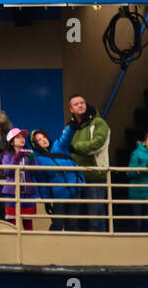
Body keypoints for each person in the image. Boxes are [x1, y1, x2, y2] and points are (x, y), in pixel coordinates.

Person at [61, 94, 110, 231]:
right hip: (74, 177)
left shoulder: (99, 123)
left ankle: (100, 246)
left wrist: (74, 147)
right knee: (74, 218)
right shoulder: (69, 127)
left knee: (96, 217)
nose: (80, 105)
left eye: (82, 102)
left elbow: (97, 145)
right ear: (71, 109)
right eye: (76, 104)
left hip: (95, 176)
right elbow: (62, 148)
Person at [29, 129, 84, 231]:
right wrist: (47, 201)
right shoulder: (39, 159)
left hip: (75, 190)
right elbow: (42, 182)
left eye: (44, 137)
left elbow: (66, 137)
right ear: (36, 145)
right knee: (58, 223)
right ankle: (53, 246)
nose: (44, 140)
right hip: (58, 195)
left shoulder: (58, 146)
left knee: (73, 223)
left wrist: (72, 125)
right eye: (39, 140)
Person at [0, 128, 38, 230]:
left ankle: (29, 243)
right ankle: (14, 244)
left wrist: (33, 160)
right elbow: (8, 172)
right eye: (18, 137)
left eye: (23, 137)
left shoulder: (28, 153)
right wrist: (16, 159)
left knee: (28, 221)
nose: (22, 139)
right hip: (12, 193)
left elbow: (36, 173)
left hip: (27, 193)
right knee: (13, 222)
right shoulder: (6, 155)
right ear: (11, 142)